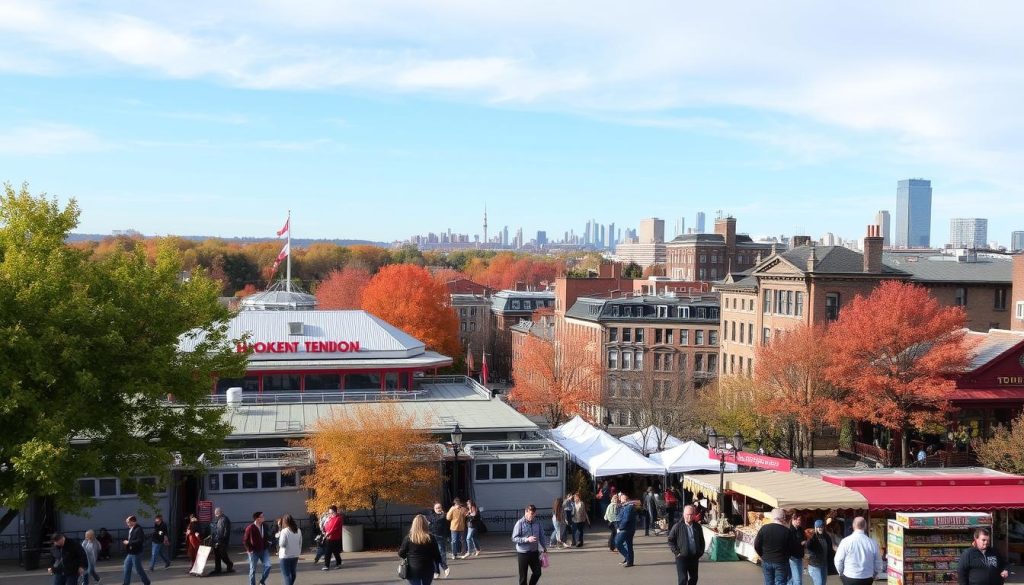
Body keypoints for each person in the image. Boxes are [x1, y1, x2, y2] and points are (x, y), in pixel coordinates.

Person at [754, 508, 801, 585]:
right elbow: (792, 548)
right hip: (781, 561)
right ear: (783, 518)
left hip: (767, 560)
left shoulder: (764, 528)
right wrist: (787, 556)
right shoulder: (787, 531)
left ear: (773, 517)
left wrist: (762, 555)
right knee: (781, 582)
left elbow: (756, 545)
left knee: (768, 582)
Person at [833, 516, 883, 585]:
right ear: (865, 526)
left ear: (853, 526)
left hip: (850, 577)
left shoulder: (845, 541)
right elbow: (878, 562)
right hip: (867, 577)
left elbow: (838, 560)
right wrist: (875, 573)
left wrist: (841, 573)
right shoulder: (872, 543)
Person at [398, 515, 444, 585]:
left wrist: (408, 557)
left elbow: (401, 553)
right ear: (426, 524)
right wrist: (440, 566)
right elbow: (437, 555)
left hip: (413, 568)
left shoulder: (409, 538)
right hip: (428, 567)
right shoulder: (430, 538)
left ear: (414, 525)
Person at [668, 504, 706, 585]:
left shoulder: (697, 526)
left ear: (694, 515)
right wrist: (677, 552)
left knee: (694, 578)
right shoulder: (677, 526)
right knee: (683, 579)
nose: (689, 516)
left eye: (691, 514)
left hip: (694, 557)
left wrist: (700, 551)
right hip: (682, 557)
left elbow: (701, 540)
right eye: (687, 515)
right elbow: (671, 540)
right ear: (684, 515)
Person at [512, 504, 549, 585]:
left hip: (534, 552)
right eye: (531, 514)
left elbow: (542, 536)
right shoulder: (520, 523)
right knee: (523, 577)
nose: (532, 516)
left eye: (534, 514)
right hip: (523, 553)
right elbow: (514, 538)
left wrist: (544, 548)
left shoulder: (538, 523)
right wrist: (526, 539)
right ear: (526, 512)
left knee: (537, 573)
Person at [243, 511, 272, 585]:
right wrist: (249, 550)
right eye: (262, 516)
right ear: (257, 519)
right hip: (254, 552)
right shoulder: (250, 527)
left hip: (264, 550)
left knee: (268, 565)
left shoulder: (265, 526)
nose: (264, 517)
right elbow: (245, 540)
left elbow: (268, 535)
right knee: (252, 570)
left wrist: (269, 542)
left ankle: (262, 581)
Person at [122, 516, 152, 585]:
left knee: (138, 569)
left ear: (133, 522)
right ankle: (126, 583)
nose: (127, 524)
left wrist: (128, 542)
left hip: (136, 552)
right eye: (127, 522)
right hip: (131, 552)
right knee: (126, 566)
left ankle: (147, 582)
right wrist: (128, 542)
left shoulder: (138, 529)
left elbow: (140, 541)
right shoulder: (132, 528)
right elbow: (132, 538)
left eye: (128, 522)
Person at [806, 519, 833, 585]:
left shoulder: (826, 536)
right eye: (818, 527)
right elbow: (808, 546)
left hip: (824, 564)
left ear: (823, 527)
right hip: (815, 565)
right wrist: (812, 536)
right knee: (819, 583)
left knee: (823, 583)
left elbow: (830, 549)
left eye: (821, 527)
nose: (820, 528)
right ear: (815, 528)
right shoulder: (813, 537)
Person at [614, 493, 638, 567]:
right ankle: (630, 562)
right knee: (628, 545)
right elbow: (618, 517)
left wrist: (620, 527)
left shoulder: (628, 507)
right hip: (628, 528)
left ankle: (628, 558)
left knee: (617, 542)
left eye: (622, 498)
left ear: (626, 499)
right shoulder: (623, 506)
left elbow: (626, 519)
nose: (620, 499)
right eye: (620, 498)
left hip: (626, 529)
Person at [277, 514, 302, 585]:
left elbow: (281, 544)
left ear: (284, 522)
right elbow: (300, 542)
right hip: (295, 554)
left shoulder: (284, 531)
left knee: (287, 575)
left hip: (285, 555)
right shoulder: (298, 530)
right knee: (293, 573)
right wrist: (298, 551)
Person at [426, 503, 451, 577]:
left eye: (439, 507)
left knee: (441, 553)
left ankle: (445, 567)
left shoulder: (444, 515)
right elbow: (429, 522)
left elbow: (439, 520)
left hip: (441, 537)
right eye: (436, 508)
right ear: (434, 509)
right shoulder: (431, 516)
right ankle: (436, 571)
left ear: (441, 508)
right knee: (433, 554)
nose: (438, 509)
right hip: (432, 537)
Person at [211, 508, 235, 574]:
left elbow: (226, 531)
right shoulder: (219, 519)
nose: (215, 514)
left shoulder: (225, 519)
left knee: (222, 555)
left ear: (219, 512)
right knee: (217, 556)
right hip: (217, 540)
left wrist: (222, 540)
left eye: (216, 513)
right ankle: (217, 569)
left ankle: (229, 564)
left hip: (222, 541)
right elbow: (216, 530)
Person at [322, 506, 343, 570]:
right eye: (329, 513)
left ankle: (328, 565)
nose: (330, 514)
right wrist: (324, 530)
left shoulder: (338, 518)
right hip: (329, 538)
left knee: (331, 552)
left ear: (335, 512)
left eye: (331, 513)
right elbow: (325, 526)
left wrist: (327, 534)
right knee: (333, 552)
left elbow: (334, 528)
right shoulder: (330, 518)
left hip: (335, 538)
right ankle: (337, 563)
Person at [789, 514, 806, 585]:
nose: (799, 521)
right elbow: (790, 543)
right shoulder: (789, 530)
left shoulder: (800, 529)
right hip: (793, 557)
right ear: (793, 519)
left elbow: (804, 538)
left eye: (800, 520)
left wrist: (805, 542)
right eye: (798, 520)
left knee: (795, 578)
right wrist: (800, 543)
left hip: (800, 556)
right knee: (798, 580)